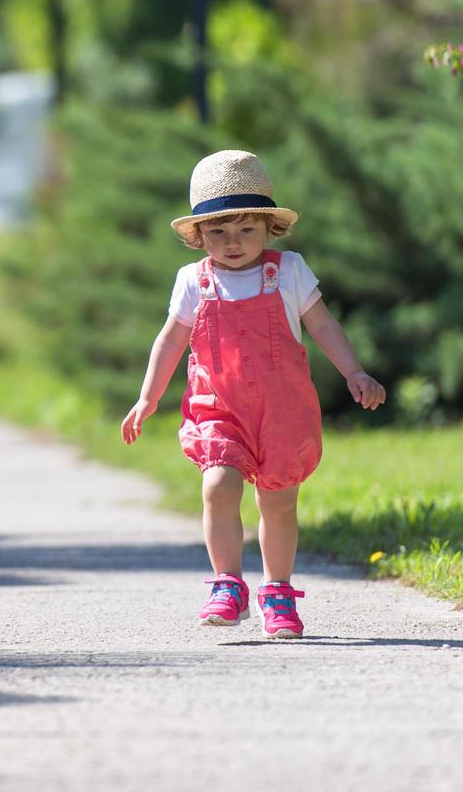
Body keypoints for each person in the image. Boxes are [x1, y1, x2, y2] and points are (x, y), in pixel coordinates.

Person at [120, 150, 386, 639]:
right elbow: (171, 340)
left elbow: (322, 324)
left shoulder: (288, 272)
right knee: (218, 486)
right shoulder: (193, 282)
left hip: (282, 412)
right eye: (218, 232)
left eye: (246, 229)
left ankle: (277, 591)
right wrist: (147, 398)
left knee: (278, 502)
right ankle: (227, 583)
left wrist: (355, 371)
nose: (233, 243)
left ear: (268, 226)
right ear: (199, 236)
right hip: (218, 407)